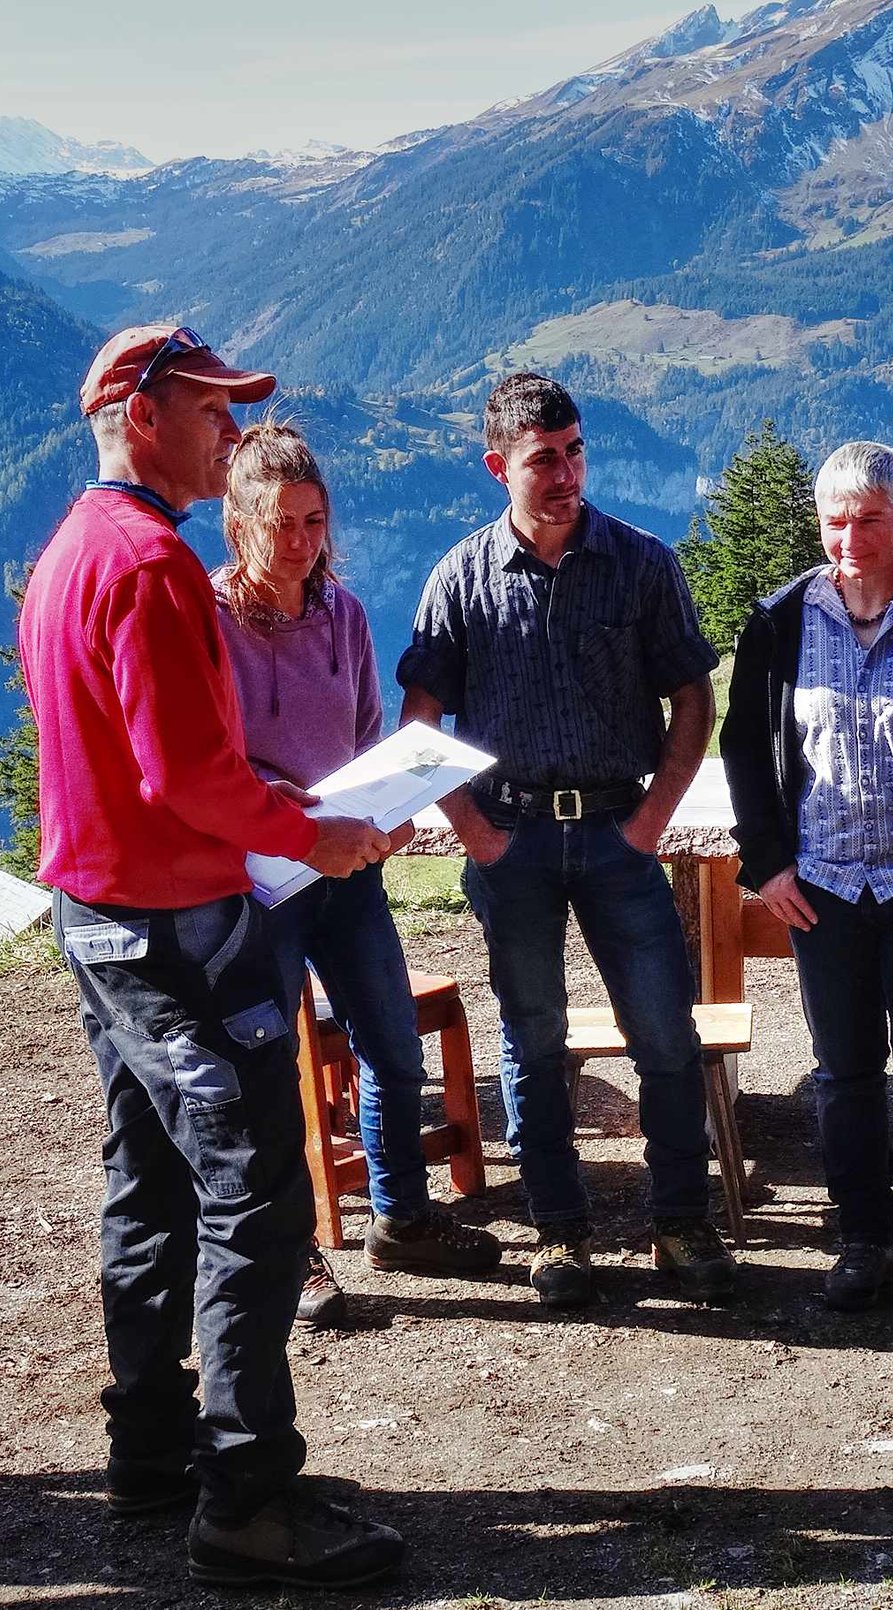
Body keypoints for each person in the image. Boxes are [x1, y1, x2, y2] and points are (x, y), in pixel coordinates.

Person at [19, 325, 404, 1588]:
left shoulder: (69, 552)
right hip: (181, 924)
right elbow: (187, 775)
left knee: (146, 1174)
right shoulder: (151, 566)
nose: (228, 430)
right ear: (138, 413)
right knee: (255, 1189)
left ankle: (148, 1447)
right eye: (208, 408)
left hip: (97, 921)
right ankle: (245, 1494)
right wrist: (319, 835)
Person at [397, 371, 735, 1308]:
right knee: (533, 1039)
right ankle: (560, 1237)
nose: (566, 474)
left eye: (576, 451)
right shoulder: (459, 576)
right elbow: (420, 717)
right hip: (514, 841)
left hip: (621, 833)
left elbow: (693, 695)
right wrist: (472, 830)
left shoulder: (640, 562)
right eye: (544, 459)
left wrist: (653, 817)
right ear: (496, 464)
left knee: (665, 1033)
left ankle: (681, 1226)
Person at [212, 421, 502, 1297]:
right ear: (240, 525)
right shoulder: (211, 622)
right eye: (281, 525)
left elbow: (369, 733)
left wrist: (395, 809)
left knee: (390, 1042)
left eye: (313, 522)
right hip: (266, 876)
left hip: (352, 869)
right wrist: (288, 815)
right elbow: (215, 760)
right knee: (265, 1067)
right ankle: (291, 1255)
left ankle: (401, 1217)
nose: (300, 544)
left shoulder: (339, 612)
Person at [718, 441, 893, 1332]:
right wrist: (765, 862)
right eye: (837, 519)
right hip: (824, 888)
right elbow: (749, 750)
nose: (853, 536)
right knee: (843, 1078)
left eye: (872, 518)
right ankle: (864, 1241)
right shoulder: (781, 620)